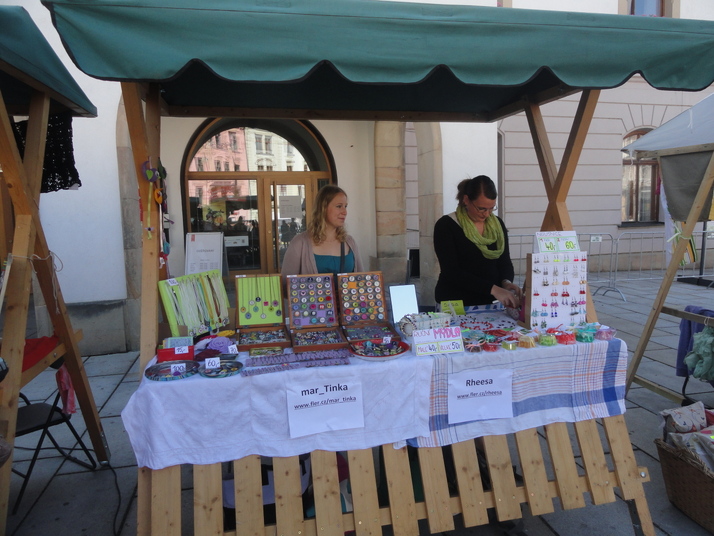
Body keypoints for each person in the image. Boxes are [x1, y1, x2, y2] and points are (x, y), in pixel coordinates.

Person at [434, 175, 522, 309]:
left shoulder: (497, 224)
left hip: (490, 302)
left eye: (491, 208)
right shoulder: (446, 225)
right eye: (481, 208)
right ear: (466, 200)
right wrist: (494, 289)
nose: (486, 214)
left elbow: (504, 261)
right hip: (455, 302)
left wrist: (506, 282)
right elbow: (451, 271)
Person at [281, 185, 364, 278]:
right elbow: (286, 283)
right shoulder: (300, 243)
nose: (345, 212)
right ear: (323, 208)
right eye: (339, 206)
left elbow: (361, 279)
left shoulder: (349, 242)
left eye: (345, 206)